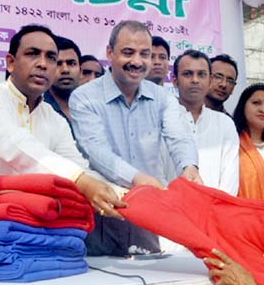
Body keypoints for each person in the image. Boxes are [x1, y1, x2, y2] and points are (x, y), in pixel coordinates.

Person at [0, 24, 125, 218]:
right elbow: (19, 148)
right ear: (10, 63)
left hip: (25, 225)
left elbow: (78, 166)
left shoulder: (53, 119)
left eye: (51, 58)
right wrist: (81, 181)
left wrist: (122, 194)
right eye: (33, 54)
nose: (43, 64)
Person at [70, 20, 200, 254]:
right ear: (110, 53)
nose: (137, 62)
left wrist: (189, 167)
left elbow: (179, 136)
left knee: (152, 280)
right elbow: (96, 151)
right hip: (103, 212)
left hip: (149, 216)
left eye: (145, 54)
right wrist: (138, 179)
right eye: (128, 53)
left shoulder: (163, 98)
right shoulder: (84, 97)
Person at [170, 49, 238, 195]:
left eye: (201, 74)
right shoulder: (162, 118)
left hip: (212, 212)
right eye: (187, 74)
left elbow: (230, 180)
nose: (195, 80)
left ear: (209, 82)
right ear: (175, 81)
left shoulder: (225, 123)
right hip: (167, 210)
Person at [43, 35, 81, 126]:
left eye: (71, 63)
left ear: (81, 69)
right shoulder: (36, 107)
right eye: (58, 63)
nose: (65, 70)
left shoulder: (92, 107)